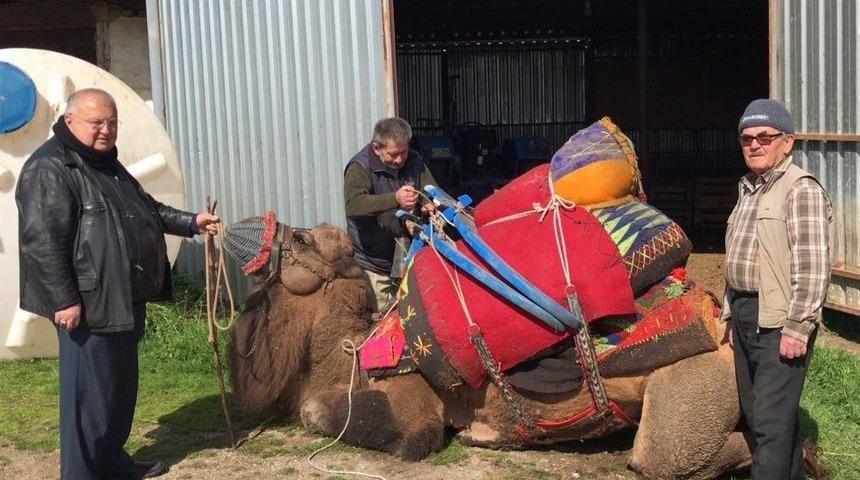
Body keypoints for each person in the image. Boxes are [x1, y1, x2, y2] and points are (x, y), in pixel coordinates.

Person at [16, 88, 220, 479]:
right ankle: (83, 473)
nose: (106, 130)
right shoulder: (51, 168)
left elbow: (148, 209)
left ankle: (111, 462)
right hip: (86, 304)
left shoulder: (104, 163)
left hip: (121, 296)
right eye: (97, 123)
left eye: (111, 122)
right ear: (70, 120)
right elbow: (42, 242)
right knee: (88, 397)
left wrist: (191, 222)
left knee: (117, 392)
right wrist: (64, 300)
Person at [722, 99, 832, 480]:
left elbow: (813, 265)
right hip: (747, 312)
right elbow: (738, 257)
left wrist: (798, 326)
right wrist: (730, 313)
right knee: (765, 417)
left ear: (788, 142)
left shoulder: (799, 189)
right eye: (747, 138)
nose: (754, 145)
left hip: (780, 319)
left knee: (770, 425)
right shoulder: (748, 189)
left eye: (765, 137)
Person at [344, 117, 436, 312]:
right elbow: (353, 205)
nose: (400, 159)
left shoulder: (414, 160)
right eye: (394, 154)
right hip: (373, 265)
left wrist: (429, 203)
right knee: (379, 323)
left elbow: (430, 189)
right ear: (377, 148)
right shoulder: (359, 168)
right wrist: (395, 199)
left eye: (404, 152)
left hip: (408, 259)